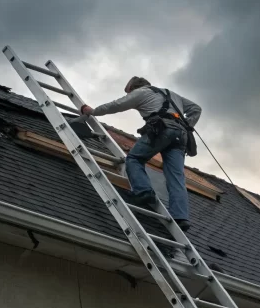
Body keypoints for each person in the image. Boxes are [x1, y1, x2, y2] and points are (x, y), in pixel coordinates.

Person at [81, 76, 202, 232]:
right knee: (176, 177)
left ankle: (143, 192)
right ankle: (181, 217)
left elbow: (117, 105)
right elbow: (196, 109)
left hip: (162, 129)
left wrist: (93, 111)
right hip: (181, 136)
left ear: (133, 89)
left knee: (134, 159)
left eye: (129, 92)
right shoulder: (171, 94)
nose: (129, 95)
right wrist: (187, 125)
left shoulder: (141, 93)